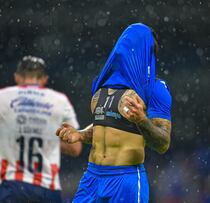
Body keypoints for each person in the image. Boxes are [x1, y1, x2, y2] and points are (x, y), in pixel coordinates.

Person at [56, 23, 172, 203]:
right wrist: (80, 135)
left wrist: (142, 121)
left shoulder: (156, 89)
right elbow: (107, 126)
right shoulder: (102, 85)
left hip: (126, 179)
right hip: (92, 177)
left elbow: (163, 143)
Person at [0, 56, 82, 202]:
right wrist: (48, 143)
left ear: (17, 77)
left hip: (11, 187)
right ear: (44, 79)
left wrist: (10, 152)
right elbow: (75, 148)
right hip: (47, 189)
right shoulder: (60, 101)